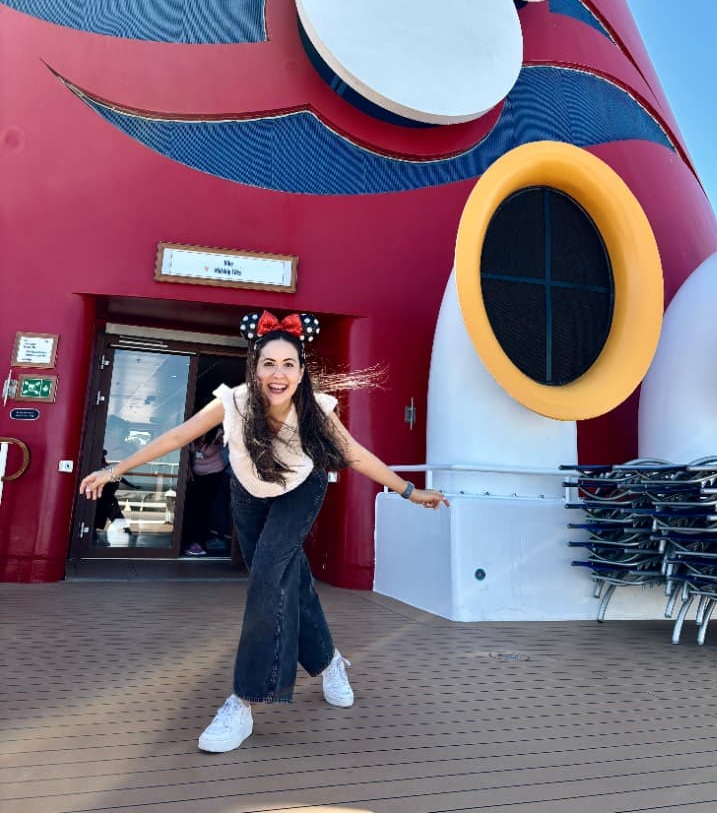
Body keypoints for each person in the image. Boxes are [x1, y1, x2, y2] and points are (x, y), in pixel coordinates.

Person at [80, 310, 448, 753]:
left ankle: (244, 699)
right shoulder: (232, 402)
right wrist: (116, 468)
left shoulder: (316, 411)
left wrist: (410, 491)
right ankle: (329, 660)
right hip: (249, 491)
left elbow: (356, 455)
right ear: (255, 368)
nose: (278, 374)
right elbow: (177, 436)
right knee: (288, 580)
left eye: (288, 364)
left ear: (301, 371)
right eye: (269, 363)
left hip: (300, 489)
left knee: (267, 579)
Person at [183, 426, 228, 556]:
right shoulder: (193, 431)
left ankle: (198, 543)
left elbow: (230, 442)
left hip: (213, 475)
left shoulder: (218, 434)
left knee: (203, 509)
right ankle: (189, 540)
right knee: (190, 507)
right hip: (194, 475)